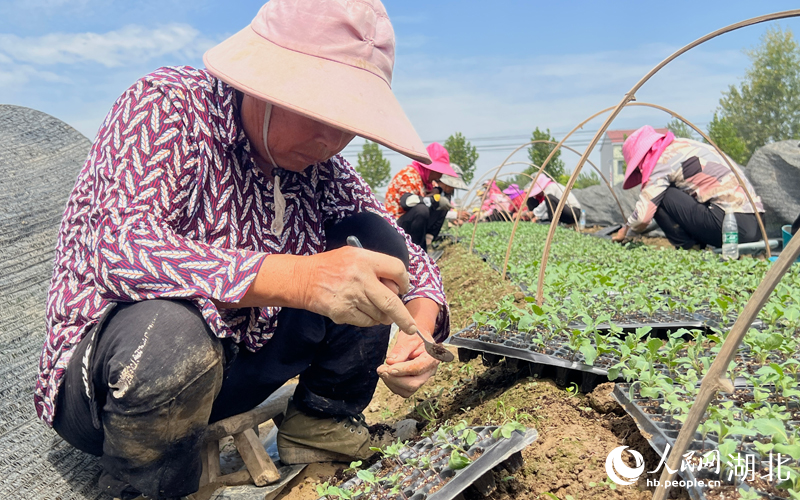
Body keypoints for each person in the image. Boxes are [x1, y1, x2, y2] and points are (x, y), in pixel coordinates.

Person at [36, 1, 449, 498]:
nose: (330, 141)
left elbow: (404, 251)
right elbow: (118, 247)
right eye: (319, 112)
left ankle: (322, 417)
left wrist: (419, 324)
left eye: (348, 123)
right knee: (172, 332)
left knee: (372, 249)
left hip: (231, 370)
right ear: (263, 81)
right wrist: (301, 279)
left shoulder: (319, 168)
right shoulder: (168, 107)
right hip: (117, 385)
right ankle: (143, 485)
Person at [612, 125, 765, 249]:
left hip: (730, 227)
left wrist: (625, 230)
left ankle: (691, 251)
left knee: (661, 196)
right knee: (675, 193)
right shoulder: (685, 146)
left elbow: (643, 218)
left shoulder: (661, 161)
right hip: (758, 225)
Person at [384, 142, 458, 251]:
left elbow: (436, 192)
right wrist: (433, 199)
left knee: (442, 205)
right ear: (430, 169)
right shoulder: (409, 174)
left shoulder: (426, 181)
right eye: (439, 172)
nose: (440, 176)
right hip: (395, 225)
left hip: (410, 224)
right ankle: (415, 250)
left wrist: (437, 193)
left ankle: (427, 243)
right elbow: (406, 202)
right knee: (421, 209)